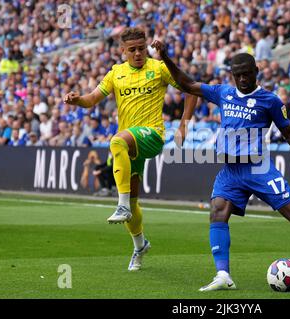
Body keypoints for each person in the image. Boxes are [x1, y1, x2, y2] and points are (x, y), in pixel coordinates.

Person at [152, 41, 290, 291]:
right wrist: (166, 56)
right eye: (238, 75)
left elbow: (289, 133)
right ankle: (223, 275)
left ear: (256, 72)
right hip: (231, 171)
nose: (242, 78)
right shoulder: (223, 92)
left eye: (247, 73)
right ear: (233, 75)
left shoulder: (270, 101)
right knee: (217, 212)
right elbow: (188, 84)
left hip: (258, 168)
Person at [64, 27, 197, 271]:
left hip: (152, 135)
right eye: (132, 49)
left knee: (116, 142)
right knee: (135, 202)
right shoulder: (116, 73)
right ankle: (139, 246)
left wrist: (184, 127)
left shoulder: (159, 69)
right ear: (123, 51)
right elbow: (92, 99)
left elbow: (192, 90)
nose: (138, 53)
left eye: (141, 48)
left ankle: (121, 204)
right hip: (130, 145)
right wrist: (77, 100)